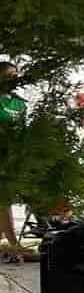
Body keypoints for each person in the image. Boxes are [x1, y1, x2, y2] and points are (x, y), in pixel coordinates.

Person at [0, 62, 25, 259]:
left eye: (15, 75)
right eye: (8, 75)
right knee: (4, 200)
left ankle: (6, 244)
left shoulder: (19, 102)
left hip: (13, 155)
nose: (13, 80)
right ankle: (13, 243)